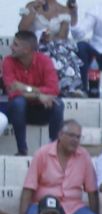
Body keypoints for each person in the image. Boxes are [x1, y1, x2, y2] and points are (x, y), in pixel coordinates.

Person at [17, 121, 97, 214]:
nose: (75, 140)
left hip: (73, 205)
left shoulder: (84, 156)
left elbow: (92, 190)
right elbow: (29, 186)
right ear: (60, 135)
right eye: (71, 135)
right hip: (43, 203)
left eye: (78, 137)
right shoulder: (43, 153)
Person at [4, 29, 63, 157]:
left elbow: (53, 90)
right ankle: (22, 150)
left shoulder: (44, 61)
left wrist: (25, 88)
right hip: (18, 111)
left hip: (41, 109)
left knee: (58, 104)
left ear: (26, 49)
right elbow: (12, 92)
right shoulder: (8, 62)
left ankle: (54, 148)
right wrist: (38, 94)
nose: (11, 47)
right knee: (18, 103)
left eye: (15, 44)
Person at [18, 0, 84, 101]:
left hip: (56, 45)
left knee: (63, 52)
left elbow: (63, 36)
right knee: (51, 53)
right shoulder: (32, 5)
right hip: (35, 44)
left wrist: (51, 37)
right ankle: (58, 88)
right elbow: (22, 29)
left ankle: (71, 88)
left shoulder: (63, 10)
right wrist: (33, 11)